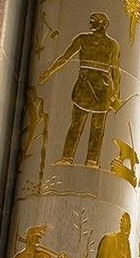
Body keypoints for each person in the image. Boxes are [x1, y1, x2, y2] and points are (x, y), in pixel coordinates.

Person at [40, 12, 122, 168]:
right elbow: (65, 57)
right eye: (91, 20)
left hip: (103, 90)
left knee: (97, 128)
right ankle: (67, 157)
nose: (91, 23)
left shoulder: (113, 45)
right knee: (76, 125)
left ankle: (92, 161)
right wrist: (48, 72)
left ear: (103, 25)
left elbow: (116, 71)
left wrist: (116, 95)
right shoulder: (82, 39)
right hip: (84, 87)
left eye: (94, 21)